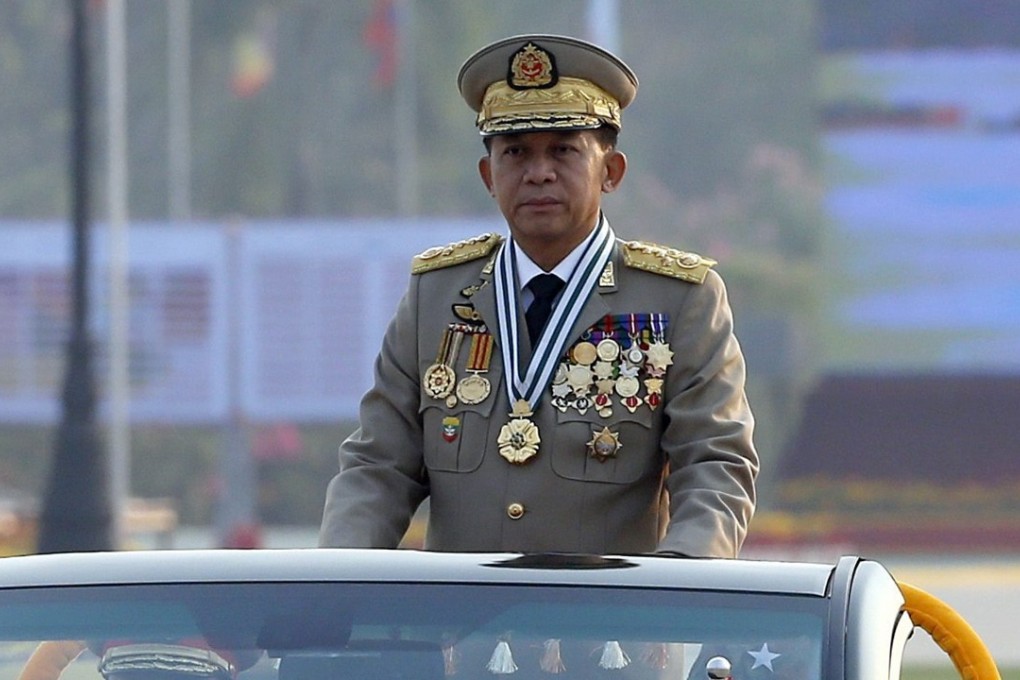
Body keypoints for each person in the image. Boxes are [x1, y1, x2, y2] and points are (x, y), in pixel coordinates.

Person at [319, 34, 758, 557]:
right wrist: (336, 578)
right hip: (463, 632)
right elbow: (378, 467)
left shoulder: (679, 300)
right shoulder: (436, 295)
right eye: (516, 152)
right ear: (488, 175)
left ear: (611, 172)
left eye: (564, 150)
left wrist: (677, 582)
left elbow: (715, 465)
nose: (539, 172)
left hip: (611, 629)